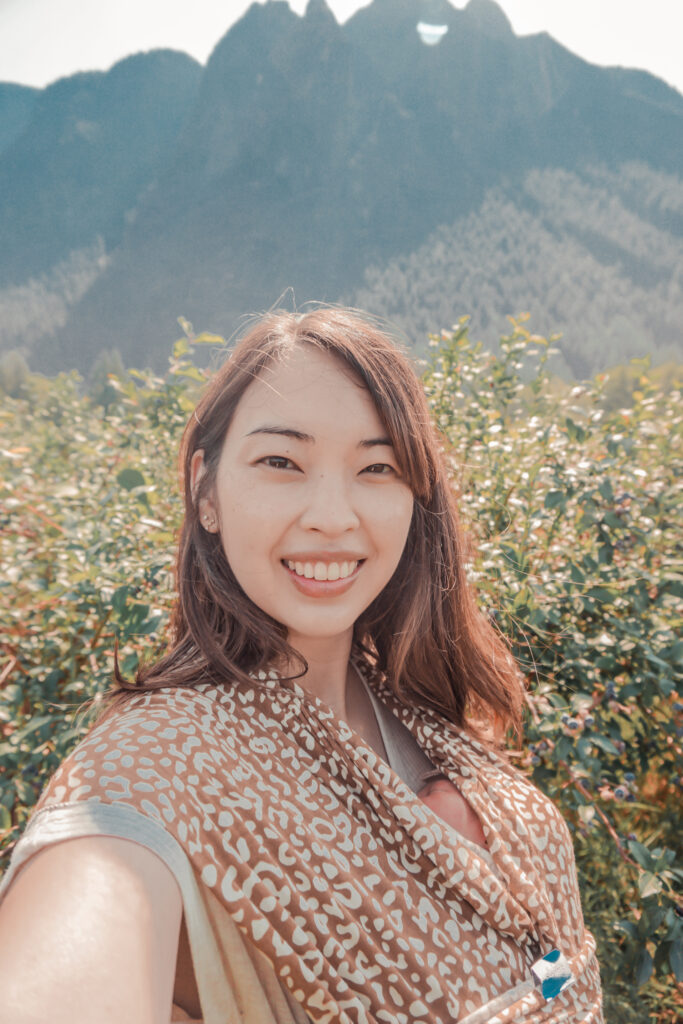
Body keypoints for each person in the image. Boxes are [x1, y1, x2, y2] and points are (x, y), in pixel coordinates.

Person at [0, 308, 603, 1023]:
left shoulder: (432, 725)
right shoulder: (156, 762)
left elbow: (551, 973)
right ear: (206, 491)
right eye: (280, 462)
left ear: (416, 498)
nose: (331, 514)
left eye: (376, 468)